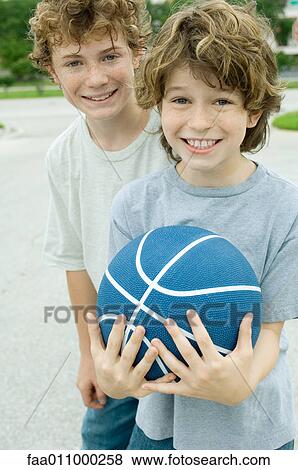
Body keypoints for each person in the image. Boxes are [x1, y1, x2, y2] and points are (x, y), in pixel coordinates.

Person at [87, 0, 298, 450]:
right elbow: (120, 323)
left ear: (254, 111)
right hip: (161, 433)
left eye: (222, 100)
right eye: (181, 99)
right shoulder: (136, 204)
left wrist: (240, 381)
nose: (199, 121)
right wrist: (115, 375)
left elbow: (271, 330)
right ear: (159, 105)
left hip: (256, 434)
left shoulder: (286, 207)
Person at [29, 0, 170, 450]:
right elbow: (76, 262)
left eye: (109, 56)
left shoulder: (177, 132)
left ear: (138, 53)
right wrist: (89, 355)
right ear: (53, 73)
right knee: (101, 445)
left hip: (186, 335)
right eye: (74, 62)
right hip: (113, 342)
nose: (95, 78)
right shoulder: (63, 155)